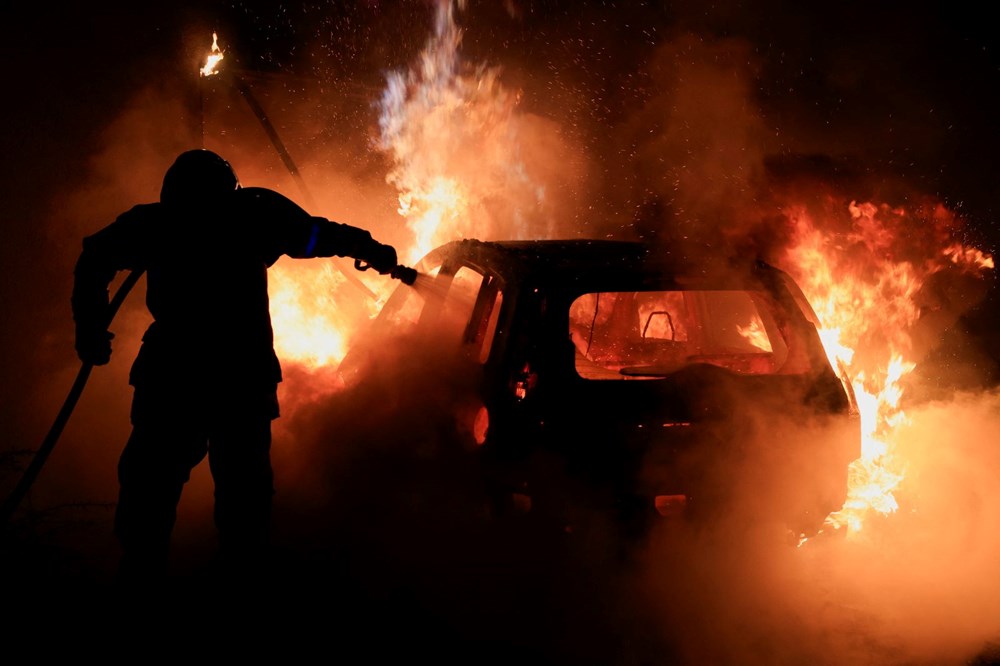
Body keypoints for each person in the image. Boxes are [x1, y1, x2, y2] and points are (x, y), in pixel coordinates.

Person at [71, 149, 400, 585]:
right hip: (237, 378)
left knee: (153, 493)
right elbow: (317, 236)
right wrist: (369, 248)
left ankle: (146, 582)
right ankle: (233, 587)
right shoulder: (252, 214)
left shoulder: (157, 223)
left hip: (176, 377)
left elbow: (95, 256)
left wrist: (89, 328)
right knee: (235, 499)